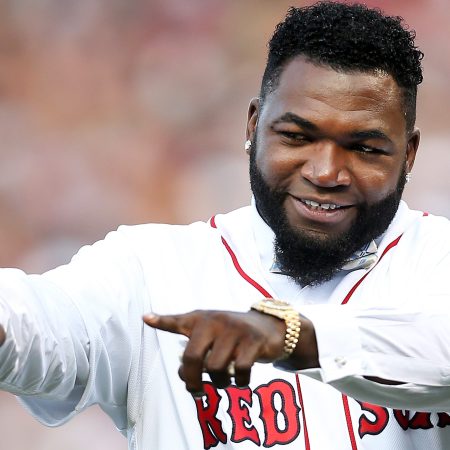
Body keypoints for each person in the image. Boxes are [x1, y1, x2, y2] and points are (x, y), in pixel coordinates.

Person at [0, 1, 449, 449]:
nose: (326, 172)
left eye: (365, 148)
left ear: (408, 154)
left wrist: (289, 334)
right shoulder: (152, 270)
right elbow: (42, 325)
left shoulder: (437, 258)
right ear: (254, 124)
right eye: (296, 136)